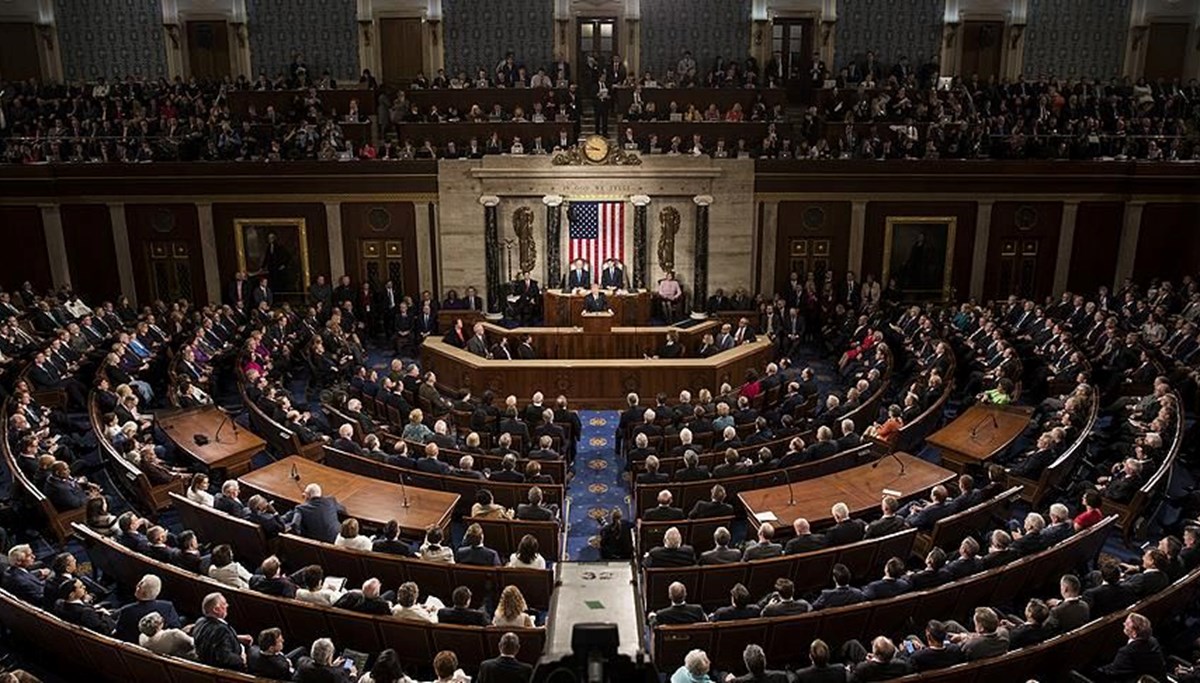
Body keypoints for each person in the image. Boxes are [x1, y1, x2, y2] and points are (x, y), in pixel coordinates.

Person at [193, 592, 252, 671]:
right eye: (223, 604)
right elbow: (224, 657)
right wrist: (242, 659)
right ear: (216, 609)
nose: (227, 605)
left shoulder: (200, 622)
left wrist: (236, 638)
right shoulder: (221, 630)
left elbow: (212, 640)